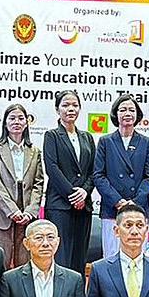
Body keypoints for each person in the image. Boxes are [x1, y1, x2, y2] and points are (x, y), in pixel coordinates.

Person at [93, 93, 149, 259]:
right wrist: (118, 201)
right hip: (112, 209)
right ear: (116, 114)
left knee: (139, 258)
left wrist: (134, 203)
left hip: (139, 208)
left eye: (131, 110)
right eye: (123, 110)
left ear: (137, 115)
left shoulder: (146, 142)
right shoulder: (106, 141)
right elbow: (99, 176)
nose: (127, 113)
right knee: (112, 258)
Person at [43, 90, 96, 275]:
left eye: (74, 105)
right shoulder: (52, 136)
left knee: (79, 259)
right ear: (57, 109)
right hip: (60, 205)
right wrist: (73, 195)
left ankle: (78, 294)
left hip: (84, 206)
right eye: (65, 105)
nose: (70, 109)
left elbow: (93, 171)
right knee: (61, 259)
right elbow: (52, 169)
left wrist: (85, 192)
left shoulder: (87, 137)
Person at [0, 101, 46, 269]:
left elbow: (38, 183)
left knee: (24, 262)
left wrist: (31, 211)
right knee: (0, 261)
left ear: (26, 123)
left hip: (26, 212)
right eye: (12, 118)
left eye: (21, 118)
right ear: (5, 123)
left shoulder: (34, 151)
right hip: (1, 212)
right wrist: (11, 210)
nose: (16, 122)